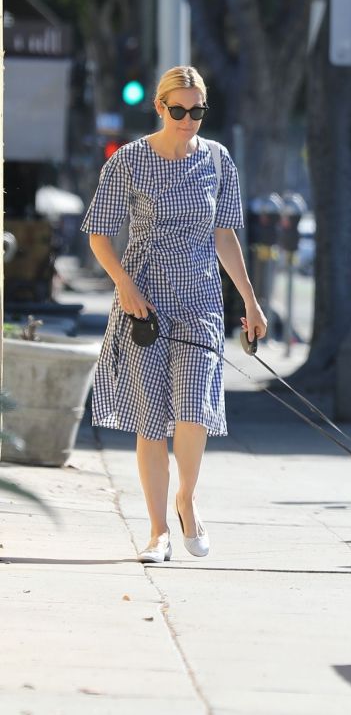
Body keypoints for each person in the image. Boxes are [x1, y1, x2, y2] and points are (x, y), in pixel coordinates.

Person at [81, 65, 267, 563]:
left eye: (197, 110)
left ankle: (187, 496)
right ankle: (158, 531)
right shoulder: (129, 161)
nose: (188, 119)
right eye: (178, 109)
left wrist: (248, 300)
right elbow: (99, 232)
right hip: (143, 301)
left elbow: (225, 236)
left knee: (193, 408)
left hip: (202, 300)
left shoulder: (219, 160)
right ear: (161, 107)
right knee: (151, 420)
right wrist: (123, 286)